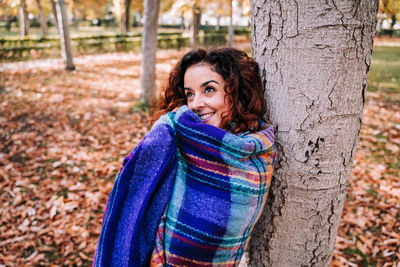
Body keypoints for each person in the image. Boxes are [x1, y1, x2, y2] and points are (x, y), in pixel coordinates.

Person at [93, 48, 276, 267]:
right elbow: (130, 205)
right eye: (190, 94)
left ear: (237, 91)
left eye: (209, 90)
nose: (196, 103)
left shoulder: (258, 150)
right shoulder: (174, 136)